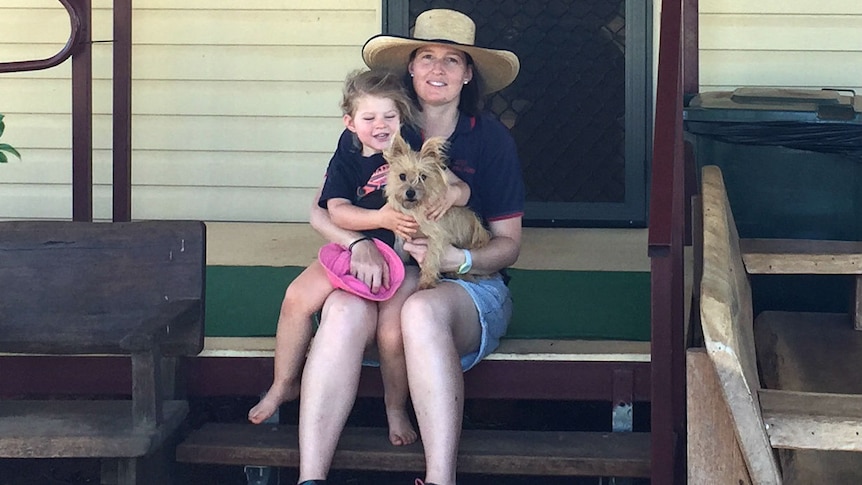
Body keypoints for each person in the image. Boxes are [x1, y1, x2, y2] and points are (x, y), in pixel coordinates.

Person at [297, 9, 525, 485]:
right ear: (412, 68)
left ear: (467, 74)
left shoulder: (491, 141)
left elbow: (509, 246)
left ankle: (441, 479)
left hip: (468, 286)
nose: (437, 69)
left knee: (419, 313)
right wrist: (358, 240)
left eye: (451, 59)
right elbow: (322, 210)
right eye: (426, 57)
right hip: (386, 271)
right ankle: (310, 477)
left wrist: (458, 259)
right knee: (340, 309)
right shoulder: (378, 126)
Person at [248, 68, 470, 448]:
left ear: (403, 118)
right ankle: (283, 383)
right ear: (350, 122)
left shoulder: (409, 149)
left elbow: (456, 187)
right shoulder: (348, 154)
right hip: (350, 246)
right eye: (368, 118)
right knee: (297, 298)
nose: (380, 126)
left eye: (390, 117)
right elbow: (333, 209)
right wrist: (379, 220)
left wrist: (454, 194)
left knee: (390, 332)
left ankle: (395, 408)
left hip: (399, 257)